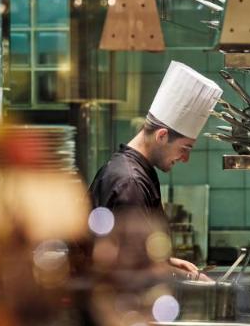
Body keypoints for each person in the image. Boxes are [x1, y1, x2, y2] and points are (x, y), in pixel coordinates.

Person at [88, 60, 222, 280]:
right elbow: (131, 268)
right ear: (162, 136)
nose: (185, 159)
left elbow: (133, 251)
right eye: (185, 148)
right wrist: (190, 278)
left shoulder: (133, 170)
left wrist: (167, 262)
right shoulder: (130, 182)